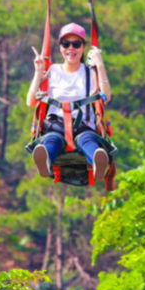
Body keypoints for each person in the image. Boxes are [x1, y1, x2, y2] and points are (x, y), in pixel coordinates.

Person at [26, 23, 112, 181]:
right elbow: (30, 101)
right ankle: (45, 161)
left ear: (83, 47)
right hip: (55, 126)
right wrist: (38, 71)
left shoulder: (90, 73)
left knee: (87, 140)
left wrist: (100, 65)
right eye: (66, 44)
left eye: (76, 44)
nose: (70, 48)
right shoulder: (52, 71)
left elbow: (106, 96)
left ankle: (98, 161)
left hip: (83, 126)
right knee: (52, 140)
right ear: (60, 47)